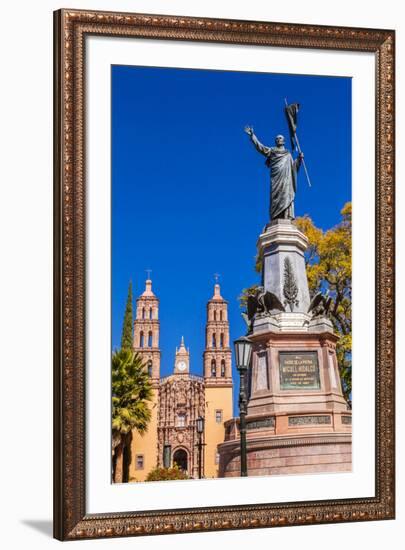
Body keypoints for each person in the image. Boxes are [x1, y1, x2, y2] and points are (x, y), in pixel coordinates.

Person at [245, 127, 304, 220]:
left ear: (284, 141)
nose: (278, 139)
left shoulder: (288, 154)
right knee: (275, 197)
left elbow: (293, 167)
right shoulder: (272, 151)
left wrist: (299, 159)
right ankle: (276, 217)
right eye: (276, 139)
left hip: (286, 179)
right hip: (276, 179)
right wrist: (253, 136)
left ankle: (286, 216)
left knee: (286, 194)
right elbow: (261, 148)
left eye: (280, 138)